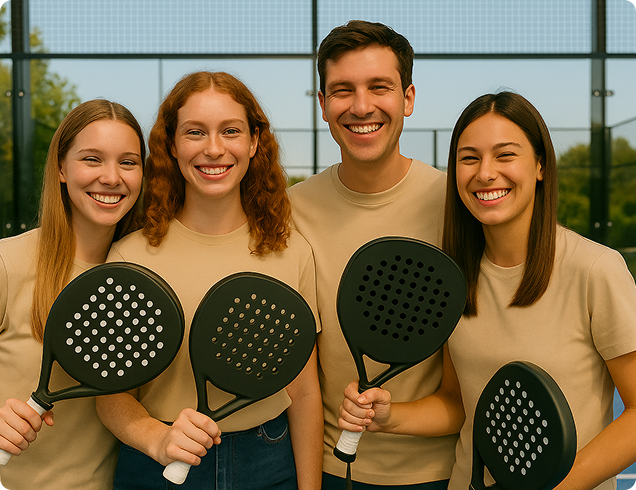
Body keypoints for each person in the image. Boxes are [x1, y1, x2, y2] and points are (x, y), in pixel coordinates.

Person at [337, 91, 636, 490]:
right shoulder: (451, 279)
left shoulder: (596, 269)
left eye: (505, 155)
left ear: (541, 165)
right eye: (469, 158)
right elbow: (458, 403)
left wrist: (556, 486)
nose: (485, 173)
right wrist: (391, 417)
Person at [95, 71, 323, 490]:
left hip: (267, 458)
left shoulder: (292, 253)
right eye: (195, 132)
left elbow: (304, 391)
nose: (214, 149)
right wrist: (158, 438)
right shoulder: (129, 256)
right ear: (172, 144)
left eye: (230, 131)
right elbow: (110, 394)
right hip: (154, 465)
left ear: (254, 142)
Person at [288, 20, 454, 489]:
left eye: (379, 87)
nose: (361, 106)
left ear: (408, 98)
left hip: (441, 473)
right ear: (322, 105)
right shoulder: (292, 210)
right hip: (324, 470)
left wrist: (395, 416)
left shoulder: (457, 206)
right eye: (342, 90)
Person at [0, 99, 145, 489]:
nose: (112, 177)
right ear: (61, 168)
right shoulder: (6, 262)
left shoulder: (143, 282)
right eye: (92, 159)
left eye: (129, 162)